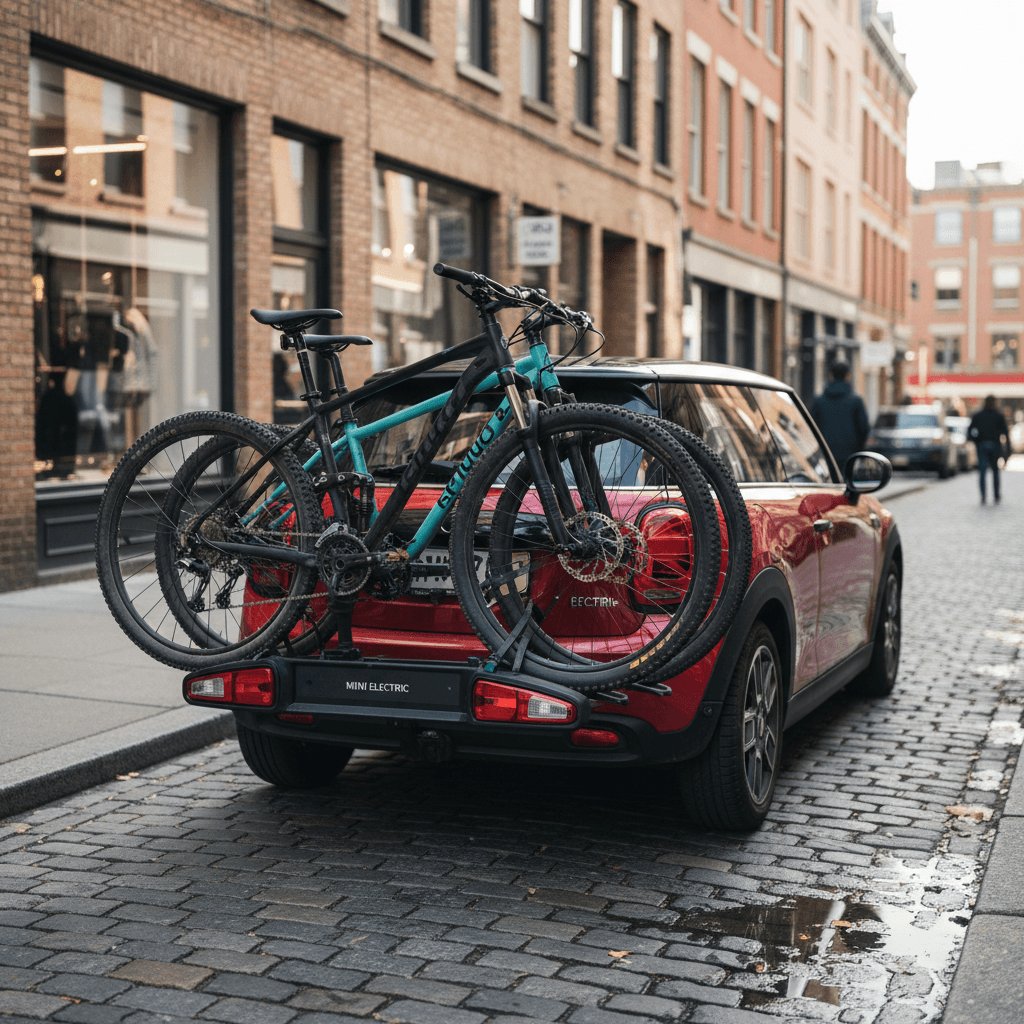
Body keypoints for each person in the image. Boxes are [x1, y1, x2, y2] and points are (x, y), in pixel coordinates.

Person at [810, 361, 869, 474]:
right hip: (849, 452)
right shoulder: (856, 401)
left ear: (831, 375)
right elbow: (863, 428)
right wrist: (859, 449)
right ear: (848, 376)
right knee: (846, 482)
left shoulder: (819, 401)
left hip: (825, 452)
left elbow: (812, 427)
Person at [969, 395, 1010, 503]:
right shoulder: (998, 416)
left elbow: (969, 431)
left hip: (982, 445)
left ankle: (983, 495)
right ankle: (996, 495)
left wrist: (976, 440)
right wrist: (1008, 450)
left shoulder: (978, 415)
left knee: (982, 472)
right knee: (995, 471)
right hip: (995, 445)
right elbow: (1006, 433)